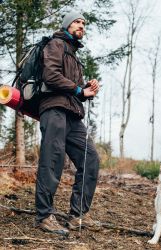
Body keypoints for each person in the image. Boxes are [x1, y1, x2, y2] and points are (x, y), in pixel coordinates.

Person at [35, 10, 100, 236]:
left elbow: (78, 92)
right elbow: (50, 76)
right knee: (52, 160)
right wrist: (78, 89)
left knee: (90, 158)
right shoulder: (55, 44)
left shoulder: (74, 55)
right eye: (77, 22)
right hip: (53, 109)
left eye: (83, 23)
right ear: (67, 25)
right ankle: (44, 216)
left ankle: (78, 215)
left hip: (72, 113)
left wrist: (87, 90)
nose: (81, 25)